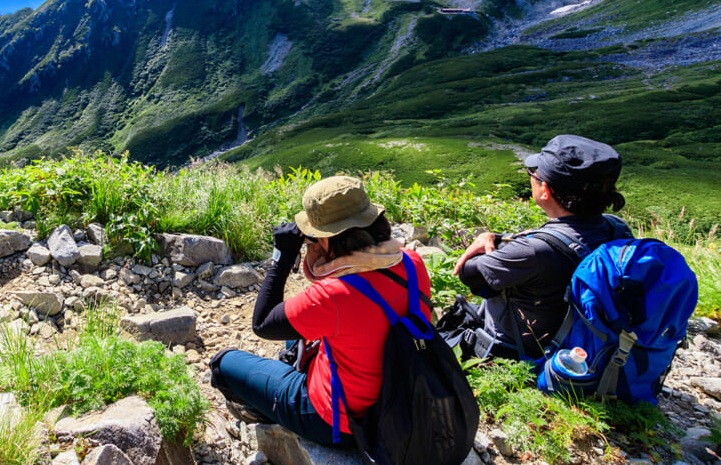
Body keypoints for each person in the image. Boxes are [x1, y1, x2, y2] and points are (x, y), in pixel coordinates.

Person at [210, 175, 431, 448]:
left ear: (328, 239)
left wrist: (282, 257)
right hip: (403, 404)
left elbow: (263, 323)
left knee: (222, 364)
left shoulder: (334, 295)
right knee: (298, 335)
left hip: (341, 422)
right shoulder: (412, 263)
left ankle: (267, 414)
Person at [448, 134, 629, 361]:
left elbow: (469, 274)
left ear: (546, 190)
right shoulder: (617, 228)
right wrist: (498, 238)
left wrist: (487, 242)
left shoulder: (533, 252)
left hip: (525, 358)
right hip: (595, 351)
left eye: (533, 174)